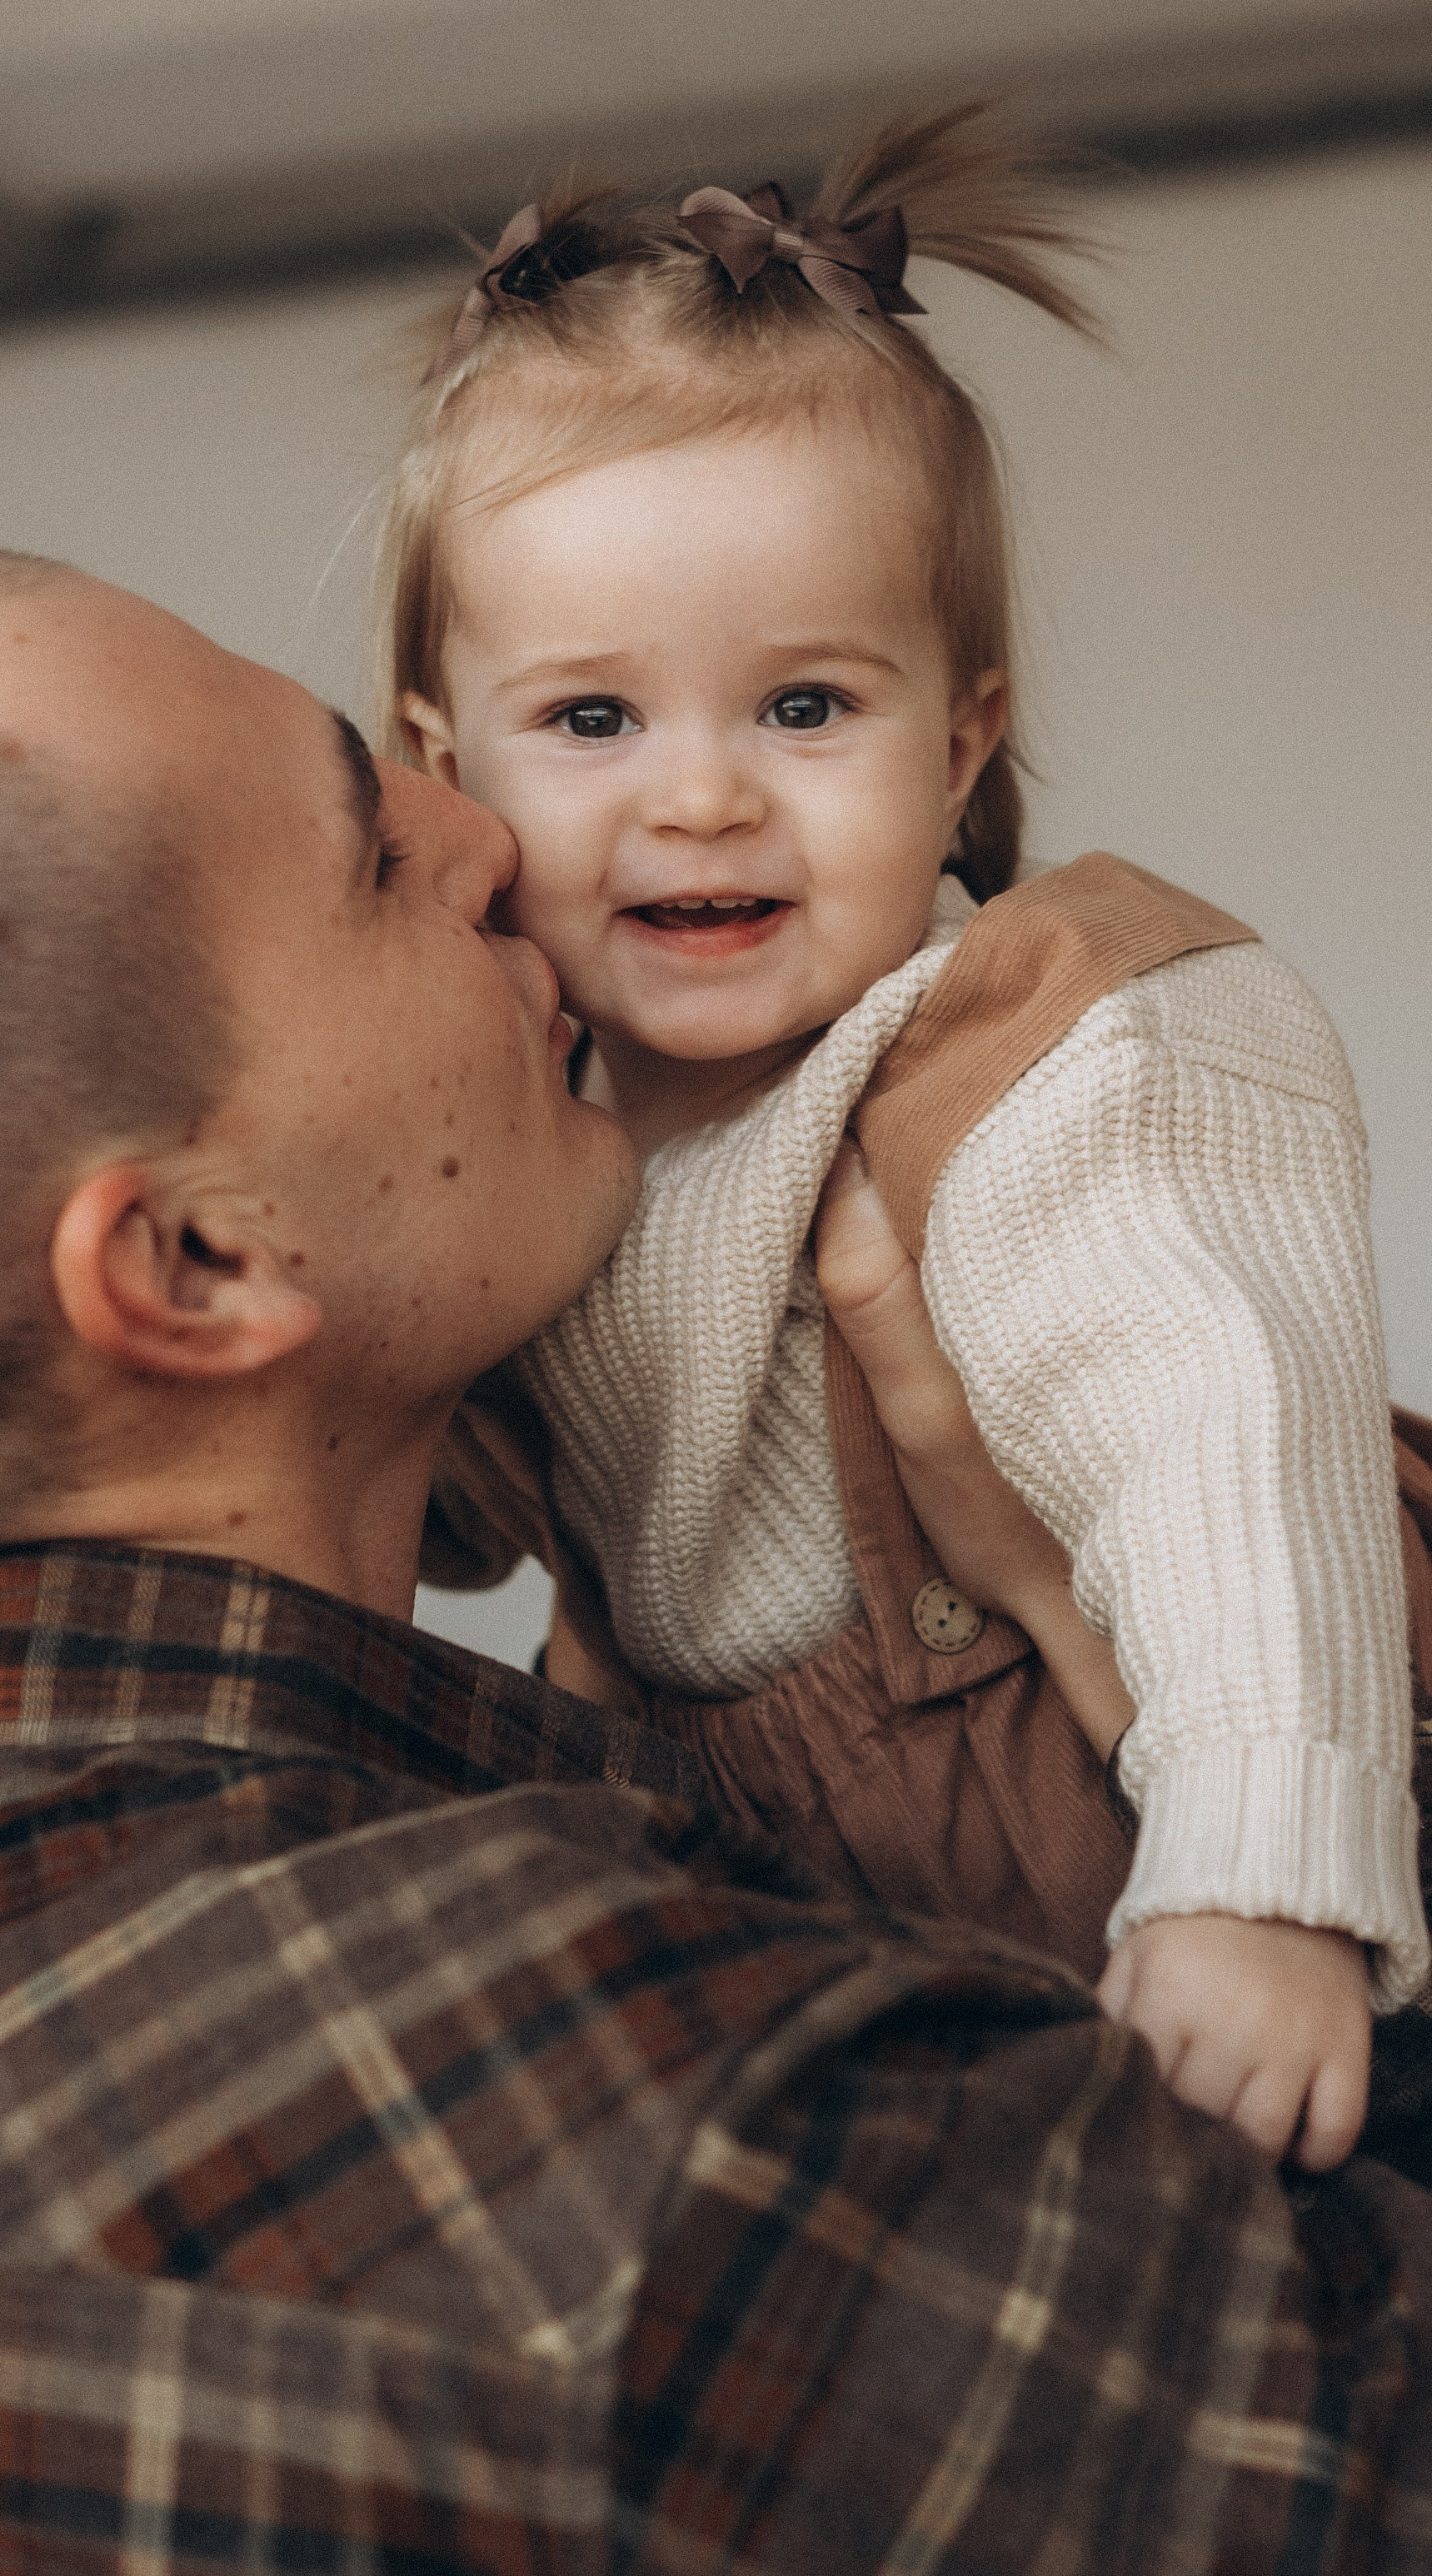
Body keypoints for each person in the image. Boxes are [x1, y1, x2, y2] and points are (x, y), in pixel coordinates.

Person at [0, 541, 1431, 2569]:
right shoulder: (659, 2132)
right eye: (373, 851)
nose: (490, 834)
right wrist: (1143, 1666)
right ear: (194, 1261)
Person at [382, 106, 1431, 2171]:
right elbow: (403, 1476)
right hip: (857, 1902)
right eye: (594, 721)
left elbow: (1219, 1445)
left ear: (955, 747)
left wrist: (1264, 1875)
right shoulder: (522, 1122)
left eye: (802, 707)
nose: (699, 800)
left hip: (1213, 1807)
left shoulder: (1045, 1044)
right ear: (445, 765)